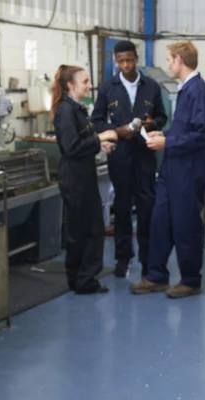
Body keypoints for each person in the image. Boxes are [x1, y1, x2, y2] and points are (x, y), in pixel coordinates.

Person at [130, 41, 205, 298]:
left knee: (186, 225)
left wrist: (168, 141)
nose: (167, 64)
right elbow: (183, 130)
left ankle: (190, 280)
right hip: (171, 171)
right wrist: (162, 134)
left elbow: (200, 135)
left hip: (188, 172)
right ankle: (156, 276)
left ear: (179, 60)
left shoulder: (198, 90)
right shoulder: (185, 89)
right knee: (161, 222)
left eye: (168, 59)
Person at [91, 41, 167, 278]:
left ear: (136, 59)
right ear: (116, 61)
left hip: (145, 156)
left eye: (130, 60)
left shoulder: (151, 86)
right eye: (121, 61)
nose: (126, 65)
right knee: (122, 208)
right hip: (120, 157)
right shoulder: (107, 88)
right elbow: (97, 121)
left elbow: (162, 117)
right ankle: (123, 258)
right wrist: (117, 131)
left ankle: (147, 260)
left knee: (146, 208)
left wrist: (151, 123)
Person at [51, 65, 117, 294]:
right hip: (75, 180)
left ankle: (80, 279)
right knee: (85, 231)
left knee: (85, 229)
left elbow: (81, 142)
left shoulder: (77, 109)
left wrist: (99, 145)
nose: (90, 85)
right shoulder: (66, 111)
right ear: (70, 85)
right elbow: (71, 147)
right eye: (85, 81)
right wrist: (101, 136)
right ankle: (84, 280)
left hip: (82, 177)